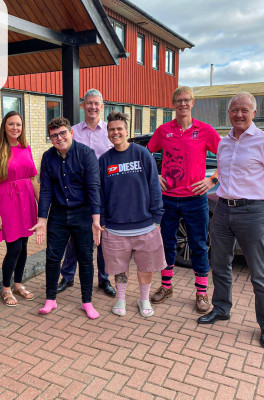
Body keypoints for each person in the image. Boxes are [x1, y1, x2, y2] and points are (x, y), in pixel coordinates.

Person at [197, 92, 264, 347]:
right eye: (234, 110)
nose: (239, 114)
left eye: (244, 110)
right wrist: (210, 181)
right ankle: (221, 308)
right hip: (223, 209)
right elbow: (221, 172)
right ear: (228, 113)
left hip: (253, 211)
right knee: (220, 263)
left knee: (259, 273)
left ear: (254, 113)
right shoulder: (224, 143)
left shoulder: (261, 141)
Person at [148, 86, 221, 314]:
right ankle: (166, 287)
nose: (182, 104)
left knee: (198, 246)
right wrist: (155, 176)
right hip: (168, 199)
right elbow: (146, 154)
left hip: (195, 199)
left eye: (186, 100)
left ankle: (201, 293)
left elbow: (226, 156)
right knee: (167, 244)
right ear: (173, 104)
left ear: (193, 103)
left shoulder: (205, 130)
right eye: (178, 100)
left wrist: (213, 179)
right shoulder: (163, 131)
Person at [30, 116, 101, 319]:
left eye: (62, 133)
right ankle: (50, 299)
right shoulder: (48, 157)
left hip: (82, 213)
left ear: (71, 133)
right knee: (52, 257)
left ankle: (87, 301)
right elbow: (46, 191)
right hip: (59, 214)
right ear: (50, 139)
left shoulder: (86, 154)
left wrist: (96, 220)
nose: (59, 138)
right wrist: (41, 219)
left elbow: (94, 187)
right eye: (54, 135)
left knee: (85, 259)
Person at [96, 111, 166, 317]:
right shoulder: (104, 160)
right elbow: (99, 193)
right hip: (116, 227)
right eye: (111, 130)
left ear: (127, 131)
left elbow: (154, 186)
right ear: (107, 133)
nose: (115, 132)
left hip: (146, 224)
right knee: (120, 267)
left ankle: (143, 299)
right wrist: (104, 220)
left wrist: (157, 219)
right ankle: (121, 298)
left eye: (119, 129)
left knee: (146, 266)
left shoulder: (142, 154)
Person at [57, 89, 116, 297]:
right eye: (89, 103)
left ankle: (104, 279)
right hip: (78, 194)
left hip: (103, 192)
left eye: (96, 104)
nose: (93, 107)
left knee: (103, 237)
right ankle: (67, 276)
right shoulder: (72, 131)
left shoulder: (110, 132)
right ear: (83, 105)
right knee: (75, 237)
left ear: (102, 106)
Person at [0, 111, 39, 307]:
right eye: (11, 124)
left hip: (26, 199)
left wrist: (41, 204)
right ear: (4, 126)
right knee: (14, 247)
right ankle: (6, 288)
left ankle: (18, 284)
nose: (15, 128)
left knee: (24, 246)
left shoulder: (26, 148)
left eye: (18, 124)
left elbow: (33, 179)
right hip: (7, 201)